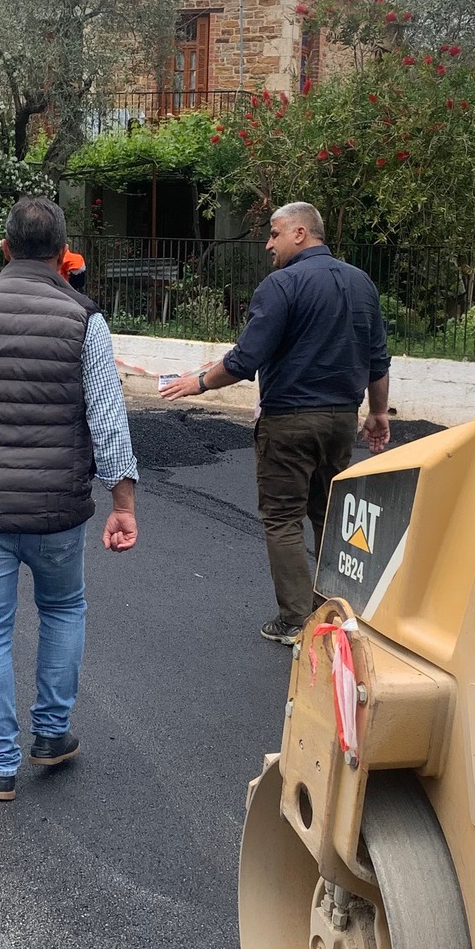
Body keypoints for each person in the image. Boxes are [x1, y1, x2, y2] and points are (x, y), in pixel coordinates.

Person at [0, 197, 139, 800]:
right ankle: (52, 735)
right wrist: (122, 503)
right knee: (62, 610)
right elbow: (108, 421)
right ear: (64, 255)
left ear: (5, 248)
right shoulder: (84, 319)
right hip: (56, 511)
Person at [160, 201, 390, 642]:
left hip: (289, 422)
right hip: (342, 421)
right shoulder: (361, 283)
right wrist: (378, 413)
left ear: (300, 233)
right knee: (328, 513)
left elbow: (246, 358)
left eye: (274, 233)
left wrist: (200, 382)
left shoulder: (281, 285)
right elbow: (377, 359)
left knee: (283, 518)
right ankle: (336, 610)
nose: (268, 243)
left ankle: (295, 621)